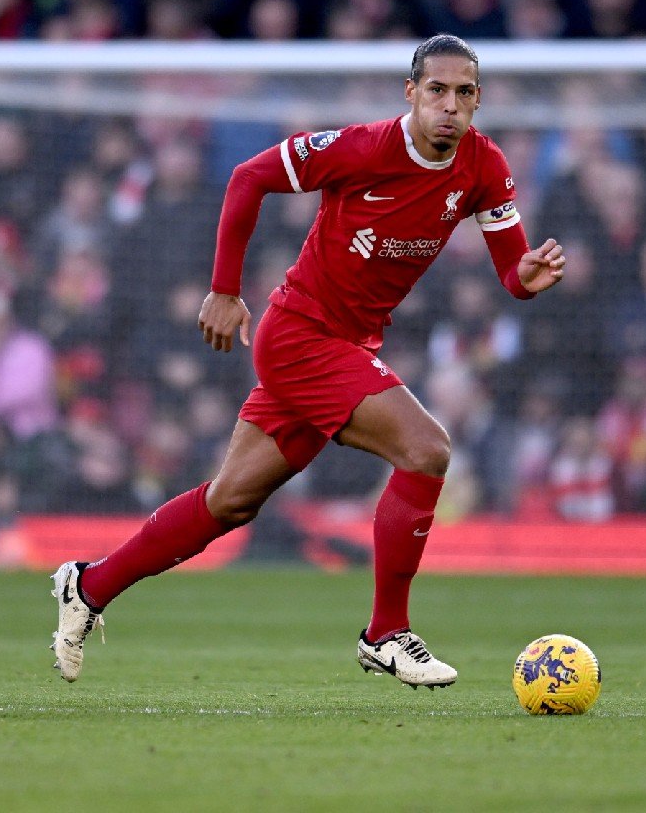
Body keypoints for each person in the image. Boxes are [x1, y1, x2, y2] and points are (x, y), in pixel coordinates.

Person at [49, 35, 566, 689]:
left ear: (477, 101)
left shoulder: (485, 165)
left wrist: (527, 276)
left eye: (464, 93)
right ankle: (385, 634)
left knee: (230, 501)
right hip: (299, 333)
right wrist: (226, 289)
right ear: (410, 94)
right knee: (427, 449)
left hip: (347, 345)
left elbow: (509, 272)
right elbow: (249, 178)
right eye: (436, 90)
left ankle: (88, 585)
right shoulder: (361, 148)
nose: (450, 105)